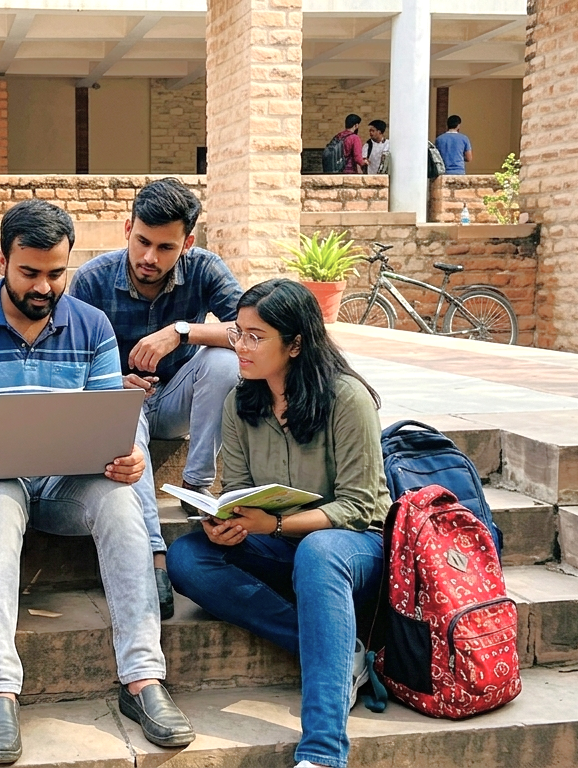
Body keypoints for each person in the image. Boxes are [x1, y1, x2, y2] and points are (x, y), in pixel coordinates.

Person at [0, 200, 194, 765]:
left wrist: (127, 459)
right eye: (30, 273)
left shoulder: (91, 324)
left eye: (56, 273)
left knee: (121, 502)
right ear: (1, 260)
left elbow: (108, 419)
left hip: (66, 482)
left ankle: (143, 681)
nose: (44, 287)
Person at [166, 279, 389, 768]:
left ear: (295, 343)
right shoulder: (241, 403)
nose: (240, 348)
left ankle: (322, 752)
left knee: (320, 551)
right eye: (238, 334)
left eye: (255, 337)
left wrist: (275, 527)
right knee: (187, 558)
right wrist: (229, 521)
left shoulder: (347, 399)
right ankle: (340, 651)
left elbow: (360, 506)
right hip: (281, 544)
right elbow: (241, 492)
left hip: (353, 548)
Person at [68, 178, 241, 621]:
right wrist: (111, 381)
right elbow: (68, 359)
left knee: (223, 363)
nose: (149, 257)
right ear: (128, 227)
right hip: (119, 405)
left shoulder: (205, 268)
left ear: (187, 242)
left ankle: (197, 486)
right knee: (129, 423)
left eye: (165, 247)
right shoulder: (91, 280)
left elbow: (250, 332)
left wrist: (182, 331)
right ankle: (154, 557)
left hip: (176, 398)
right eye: (142, 241)